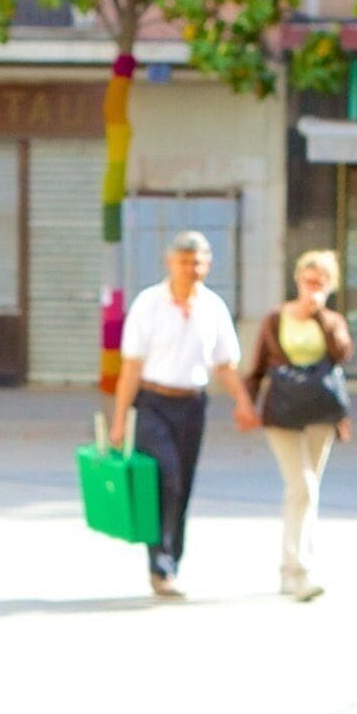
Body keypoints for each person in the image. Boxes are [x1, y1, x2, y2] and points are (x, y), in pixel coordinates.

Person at [107, 230, 248, 598]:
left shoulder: (213, 307)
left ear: (208, 265)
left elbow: (225, 364)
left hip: (192, 404)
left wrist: (243, 402)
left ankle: (171, 563)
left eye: (197, 262)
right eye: (184, 262)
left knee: (182, 484)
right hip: (153, 402)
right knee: (165, 479)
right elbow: (131, 367)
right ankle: (160, 563)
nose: (191, 269)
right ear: (170, 263)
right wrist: (119, 421)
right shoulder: (148, 304)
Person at [239, 247, 352, 601]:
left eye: (320, 283)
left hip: (319, 412)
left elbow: (342, 354)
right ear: (297, 280)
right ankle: (298, 569)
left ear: (330, 286)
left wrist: (319, 317)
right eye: (308, 281)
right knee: (301, 484)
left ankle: (291, 568)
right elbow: (258, 366)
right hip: (283, 411)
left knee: (306, 491)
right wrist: (246, 404)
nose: (312, 288)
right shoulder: (276, 319)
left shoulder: (331, 320)